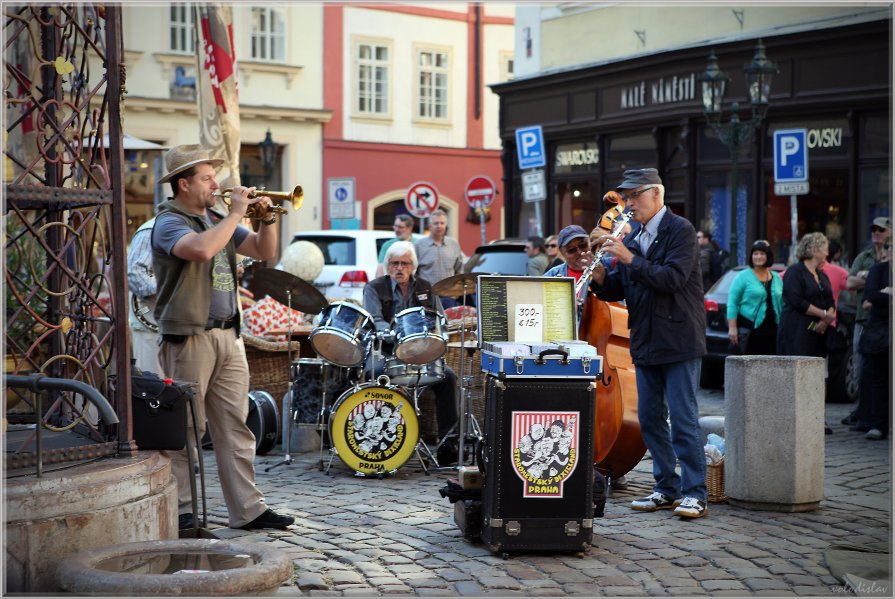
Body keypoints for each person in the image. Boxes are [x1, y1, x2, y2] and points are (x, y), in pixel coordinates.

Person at [151, 144, 294, 531]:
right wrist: (234, 213)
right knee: (186, 429)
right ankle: (181, 511)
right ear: (184, 184)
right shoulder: (169, 221)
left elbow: (266, 251)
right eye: (207, 177)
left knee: (235, 426)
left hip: (230, 335)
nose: (217, 183)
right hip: (191, 337)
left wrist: (267, 217)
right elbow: (199, 250)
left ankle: (248, 510)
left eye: (215, 175)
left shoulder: (218, 217)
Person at [589, 168, 708, 519]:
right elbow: (620, 287)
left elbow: (671, 279)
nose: (628, 203)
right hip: (645, 338)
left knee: (683, 418)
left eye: (633, 196)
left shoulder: (680, 231)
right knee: (651, 418)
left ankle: (695, 492)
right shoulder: (637, 235)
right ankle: (666, 487)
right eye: (625, 197)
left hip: (678, 338)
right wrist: (598, 276)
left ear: (656, 193)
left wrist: (627, 257)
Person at [363, 240, 460, 464]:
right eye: (395, 263)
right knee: (373, 372)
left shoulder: (426, 288)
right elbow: (375, 319)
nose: (400, 268)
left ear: (413, 266)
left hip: (421, 353)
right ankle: (378, 441)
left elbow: (440, 319)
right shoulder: (374, 287)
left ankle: (448, 443)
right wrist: (391, 333)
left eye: (405, 263)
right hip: (386, 351)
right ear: (387, 266)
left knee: (449, 377)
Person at [776, 232, 836, 434]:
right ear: (813, 249)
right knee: (798, 373)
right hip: (797, 331)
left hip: (819, 332)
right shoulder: (795, 271)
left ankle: (818, 417)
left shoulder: (823, 275)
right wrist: (823, 315)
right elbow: (796, 300)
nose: (827, 251)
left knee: (820, 375)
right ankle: (796, 418)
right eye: (824, 246)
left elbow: (831, 301)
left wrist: (826, 320)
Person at [842, 217, 891, 429]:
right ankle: (864, 412)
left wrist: (870, 280)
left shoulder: (889, 254)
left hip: (885, 320)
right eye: (873, 229)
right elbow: (850, 282)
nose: (876, 233)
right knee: (863, 369)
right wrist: (873, 279)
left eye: (881, 229)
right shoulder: (865, 256)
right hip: (864, 319)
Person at [858, 241, 891, 440]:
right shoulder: (878, 270)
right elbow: (869, 297)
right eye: (891, 247)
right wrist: (885, 294)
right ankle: (878, 424)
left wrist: (888, 292)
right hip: (880, 333)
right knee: (879, 378)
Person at [726, 240, 783, 355]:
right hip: (750, 331)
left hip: (773, 331)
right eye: (755, 253)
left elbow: (782, 303)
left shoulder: (777, 277)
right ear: (751, 256)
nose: (758, 257)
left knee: (771, 367)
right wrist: (732, 328)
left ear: (768, 256)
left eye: (762, 254)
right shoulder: (742, 276)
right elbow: (732, 303)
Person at [127, 216, 162, 375]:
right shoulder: (151, 230)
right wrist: (172, 289)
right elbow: (135, 275)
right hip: (151, 322)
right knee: (154, 383)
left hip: (181, 325)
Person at [414, 209, 464, 308]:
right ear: (430, 226)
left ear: (445, 225)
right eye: (436, 223)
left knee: (449, 323)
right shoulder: (419, 245)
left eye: (442, 223)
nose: (439, 226)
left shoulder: (454, 244)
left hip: (449, 297)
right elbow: (414, 272)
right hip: (427, 297)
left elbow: (459, 270)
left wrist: (456, 292)